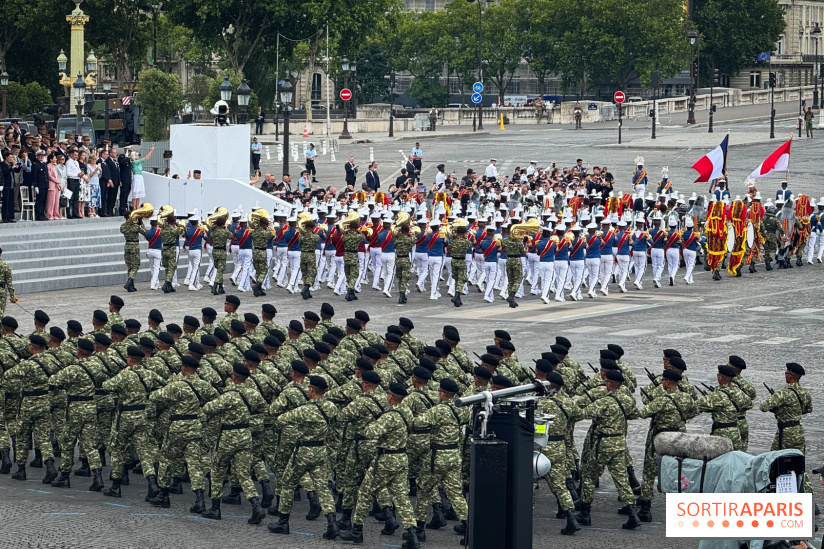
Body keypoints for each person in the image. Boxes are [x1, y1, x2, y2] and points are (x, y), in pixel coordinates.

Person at [120, 210, 146, 292]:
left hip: (127, 245)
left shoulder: (123, 226)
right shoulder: (135, 226)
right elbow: (144, 232)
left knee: (130, 266)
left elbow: (123, 230)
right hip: (134, 246)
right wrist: (141, 223)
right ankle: (129, 281)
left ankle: (131, 286)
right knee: (135, 266)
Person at [130, 147, 154, 212]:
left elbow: (146, 159)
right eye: (136, 155)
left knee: (138, 194)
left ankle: (137, 207)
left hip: (140, 177)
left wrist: (150, 153)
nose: (138, 156)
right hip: (136, 177)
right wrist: (151, 151)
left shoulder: (139, 163)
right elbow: (145, 159)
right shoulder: (134, 162)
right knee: (135, 193)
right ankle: (134, 208)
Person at [45, 153, 63, 220]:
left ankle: (56, 214)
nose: (55, 159)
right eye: (54, 158)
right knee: (51, 201)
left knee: (56, 201)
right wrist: (57, 181)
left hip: (56, 185)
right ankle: (49, 214)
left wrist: (59, 183)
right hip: (51, 184)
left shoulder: (54, 166)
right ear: (51, 159)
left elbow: (57, 176)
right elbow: (50, 176)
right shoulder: (48, 166)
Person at [65, 149, 82, 219]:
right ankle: (69, 213)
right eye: (75, 155)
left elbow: (78, 170)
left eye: (77, 155)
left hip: (77, 180)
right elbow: (68, 173)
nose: (76, 157)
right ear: (71, 154)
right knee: (70, 197)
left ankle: (75, 212)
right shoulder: (68, 162)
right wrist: (77, 175)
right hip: (71, 180)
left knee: (76, 198)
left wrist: (81, 174)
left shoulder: (76, 162)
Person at [86, 150, 102, 217]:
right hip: (91, 183)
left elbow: (99, 176)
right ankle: (90, 211)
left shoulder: (96, 165)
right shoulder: (88, 166)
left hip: (96, 183)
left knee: (95, 198)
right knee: (91, 197)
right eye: (93, 159)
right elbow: (89, 175)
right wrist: (95, 171)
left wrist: (100, 172)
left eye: (95, 159)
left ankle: (94, 211)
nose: (95, 161)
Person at [118, 148, 133, 215]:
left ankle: (124, 207)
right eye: (128, 151)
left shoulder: (128, 159)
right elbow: (121, 163)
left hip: (128, 179)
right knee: (123, 194)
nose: (129, 153)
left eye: (130, 151)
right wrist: (126, 157)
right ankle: (122, 209)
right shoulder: (122, 157)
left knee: (126, 194)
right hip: (123, 179)